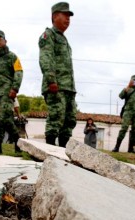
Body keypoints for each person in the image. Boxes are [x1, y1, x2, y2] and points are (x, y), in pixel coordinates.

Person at [39, 2, 77, 147]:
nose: (68, 19)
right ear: (55, 16)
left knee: (69, 121)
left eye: (69, 16)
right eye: (65, 15)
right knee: (56, 118)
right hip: (56, 86)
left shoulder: (64, 39)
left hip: (68, 87)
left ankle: (62, 153)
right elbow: (46, 58)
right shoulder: (48, 35)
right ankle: (49, 151)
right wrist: (51, 80)